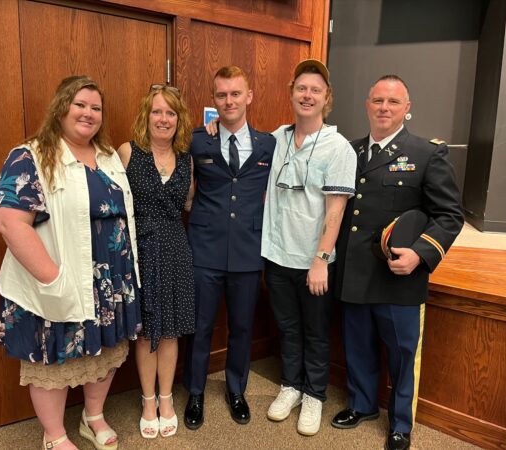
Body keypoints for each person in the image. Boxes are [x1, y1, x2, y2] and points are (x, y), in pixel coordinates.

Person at [0, 75, 141, 450]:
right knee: (50, 361)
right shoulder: (31, 155)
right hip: (56, 279)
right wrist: (53, 280)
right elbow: (9, 221)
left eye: (96, 108)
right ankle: (54, 435)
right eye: (80, 105)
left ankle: (93, 417)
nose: (88, 113)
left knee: (106, 351)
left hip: (109, 280)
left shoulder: (107, 158)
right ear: (61, 108)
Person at [331, 75, 464, 450]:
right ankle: (361, 404)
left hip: (399, 275)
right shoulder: (349, 151)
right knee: (357, 345)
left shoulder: (426, 153)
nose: (384, 108)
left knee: (404, 355)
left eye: (393, 102)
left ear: (407, 108)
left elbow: (450, 215)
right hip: (355, 271)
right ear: (367, 105)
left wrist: (421, 254)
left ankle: (401, 423)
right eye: (377, 100)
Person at [261, 59, 357, 436]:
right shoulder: (276, 139)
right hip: (277, 254)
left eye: (315, 90)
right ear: (291, 93)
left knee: (316, 330)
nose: (307, 95)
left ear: (326, 98)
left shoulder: (338, 148)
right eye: (301, 88)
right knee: (287, 327)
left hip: (313, 260)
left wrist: (320, 260)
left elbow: (335, 211)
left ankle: (314, 394)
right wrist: (215, 126)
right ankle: (291, 386)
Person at [182, 66, 276, 429]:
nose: (229, 101)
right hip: (205, 248)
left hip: (248, 250)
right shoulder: (197, 140)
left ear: (248, 96)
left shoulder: (270, 142)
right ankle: (196, 393)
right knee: (201, 326)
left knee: (241, 327)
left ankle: (237, 390)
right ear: (214, 100)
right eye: (221, 95)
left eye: (235, 93)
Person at [117, 84, 195, 439]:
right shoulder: (128, 153)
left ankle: (167, 399)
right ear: (146, 116)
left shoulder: (187, 159)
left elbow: (189, 205)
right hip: (140, 251)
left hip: (176, 249)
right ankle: (148, 401)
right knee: (147, 331)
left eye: (170, 113)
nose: (163, 119)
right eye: (157, 112)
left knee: (170, 332)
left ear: (179, 120)